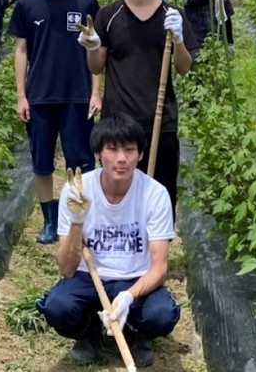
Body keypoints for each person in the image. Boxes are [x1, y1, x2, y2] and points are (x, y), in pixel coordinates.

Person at [36, 115, 180, 368]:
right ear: (98, 154)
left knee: (162, 314)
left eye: (129, 150)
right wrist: (78, 222)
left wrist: (128, 296)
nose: (121, 158)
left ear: (141, 154)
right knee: (58, 307)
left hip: (135, 277)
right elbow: (66, 268)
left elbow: (159, 267)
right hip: (88, 277)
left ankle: (136, 332)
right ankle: (89, 330)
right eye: (112, 149)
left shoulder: (155, 194)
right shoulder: (77, 191)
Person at [80, 0, 195, 211]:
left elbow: (184, 67)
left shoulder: (172, 15)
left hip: (160, 120)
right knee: (118, 196)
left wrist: (178, 39)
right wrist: (93, 47)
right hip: (118, 121)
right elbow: (96, 67)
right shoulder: (109, 15)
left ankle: (157, 252)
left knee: (161, 196)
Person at [8, 0, 101, 245]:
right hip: (40, 97)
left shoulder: (86, 2)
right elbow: (21, 50)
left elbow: (97, 51)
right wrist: (22, 95)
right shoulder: (28, 3)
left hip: (77, 95)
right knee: (42, 163)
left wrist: (96, 92)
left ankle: (79, 220)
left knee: (80, 163)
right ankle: (49, 221)